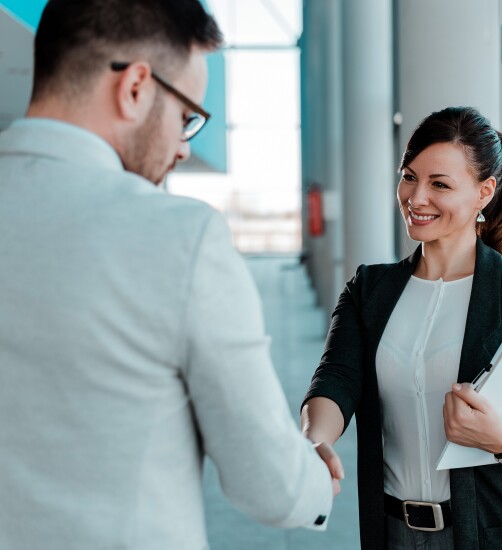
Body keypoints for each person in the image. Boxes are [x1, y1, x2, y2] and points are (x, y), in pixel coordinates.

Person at [0, 1, 337, 548]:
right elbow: (270, 485)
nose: (183, 146)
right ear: (134, 87)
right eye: (186, 117)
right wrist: (317, 482)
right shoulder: (178, 236)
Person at [301, 106, 502, 549]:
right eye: (409, 176)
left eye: (439, 184)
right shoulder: (370, 289)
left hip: (497, 535)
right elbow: (336, 380)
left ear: (484, 192)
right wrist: (313, 442)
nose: (416, 198)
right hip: (393, 531)